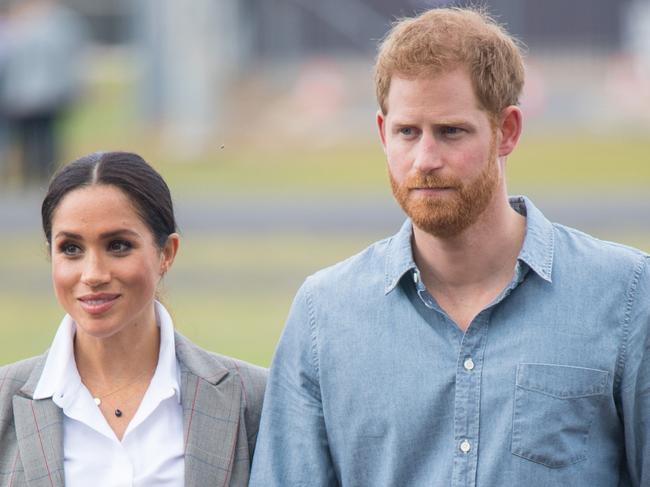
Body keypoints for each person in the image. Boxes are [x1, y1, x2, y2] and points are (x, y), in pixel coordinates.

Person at [249, 7, 650, 487]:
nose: (425, 160)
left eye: (450, 131)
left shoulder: (625, 295)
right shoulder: (324, 314)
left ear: (508, 131)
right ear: (382, 133)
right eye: (407, 132)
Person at [0, 151, 266, 486]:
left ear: (166, 253)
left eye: (118, 245)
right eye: (71, 249)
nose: (93, 274)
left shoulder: (254, 400)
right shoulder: (5, 402)